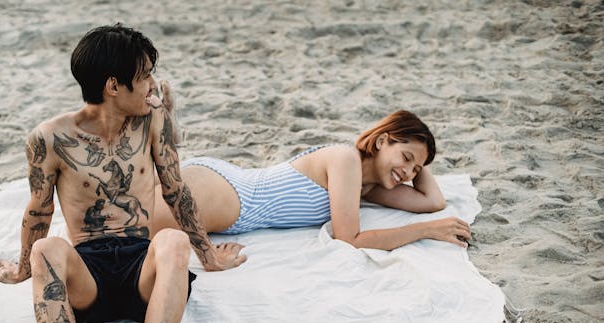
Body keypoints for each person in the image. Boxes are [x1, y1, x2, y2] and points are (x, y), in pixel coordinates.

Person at [0, 25, 246, 323]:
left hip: (142, 267)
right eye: (144, 75)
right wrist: (24, 268)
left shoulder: (152, 119)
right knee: (50, 248)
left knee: (173, 241)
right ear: (113, 85)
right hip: (88, 278)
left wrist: (207, 255)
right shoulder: (49, 138)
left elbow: (177, 190)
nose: (152, 84)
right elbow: (38, 212)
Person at [152, 110, 471, 250]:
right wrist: (428, 231)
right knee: (120, 227)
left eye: (416, 171)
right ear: (382, 140)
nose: (409, 174)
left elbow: (433, 202)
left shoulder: (368, 188)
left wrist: (418, 158)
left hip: (226, 194)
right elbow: (350, 240)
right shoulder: (345, 159)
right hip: (228, 193)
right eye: (405, 158)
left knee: (119, 220)